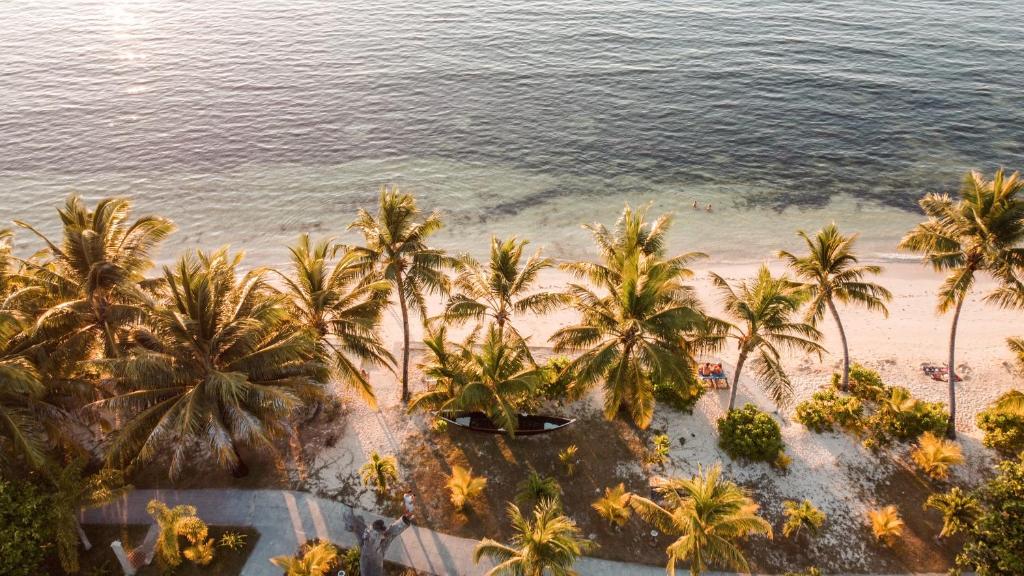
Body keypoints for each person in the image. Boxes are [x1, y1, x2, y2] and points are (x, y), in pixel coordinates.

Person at [343, 508, 413, 576]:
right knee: (386, 538)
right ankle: (371, 532)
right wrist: (403, 522)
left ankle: (351, 521)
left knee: (373, 542)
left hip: (372, 559)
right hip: (375, 561)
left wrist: (403, 522)